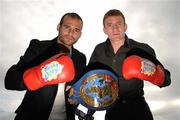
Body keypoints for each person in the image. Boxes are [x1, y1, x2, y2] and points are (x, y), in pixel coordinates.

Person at [89, 9, 171, 120]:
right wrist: (90, 111)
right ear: (104, 30)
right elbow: (91, 79)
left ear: (125, 26)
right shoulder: (99, 50)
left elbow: (166, 79)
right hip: (112, 109)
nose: (115, 28)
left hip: (138, 106)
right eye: (110, 25)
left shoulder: (141, 49)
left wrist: (155, 74)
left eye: (119, 24)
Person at [5, 12, 86, 120]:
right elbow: (11, 81)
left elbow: (79, 88)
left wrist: (77, 97)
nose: (71, 32)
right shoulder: (39, 48)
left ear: (80, 33)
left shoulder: (80, 58)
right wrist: (38, 76)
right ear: (58, 27)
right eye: (67, 27)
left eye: (76, 30)